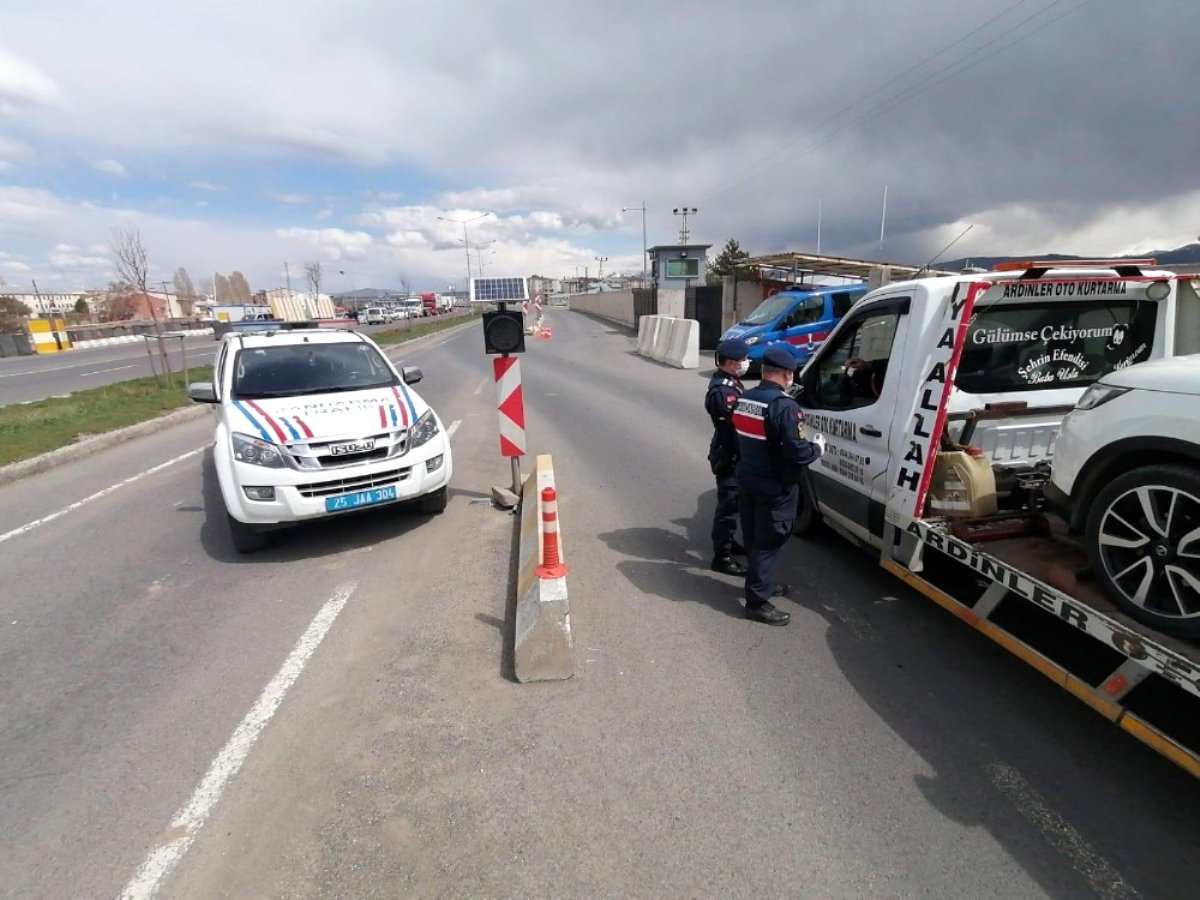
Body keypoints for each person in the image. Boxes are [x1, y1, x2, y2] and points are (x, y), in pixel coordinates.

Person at [732, 344, 827, 625]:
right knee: (769, 541)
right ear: (787, 374)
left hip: (749, 478)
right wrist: (817, 448)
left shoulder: (745, 398)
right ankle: (757, 602)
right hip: (775, 485)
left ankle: (761, 583)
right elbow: (797, 452)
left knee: (753, 536)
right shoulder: (784, 407)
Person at [706, 338, 751, 576]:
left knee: (733, 504)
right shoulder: (722, 391)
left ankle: (729, 542)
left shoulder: (732, 382)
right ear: (732, 363)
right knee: (729, 507)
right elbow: (734, 427)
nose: (747, 363)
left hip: (733, 453)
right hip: (730, 456)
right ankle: (721, 556)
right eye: (743, 359)